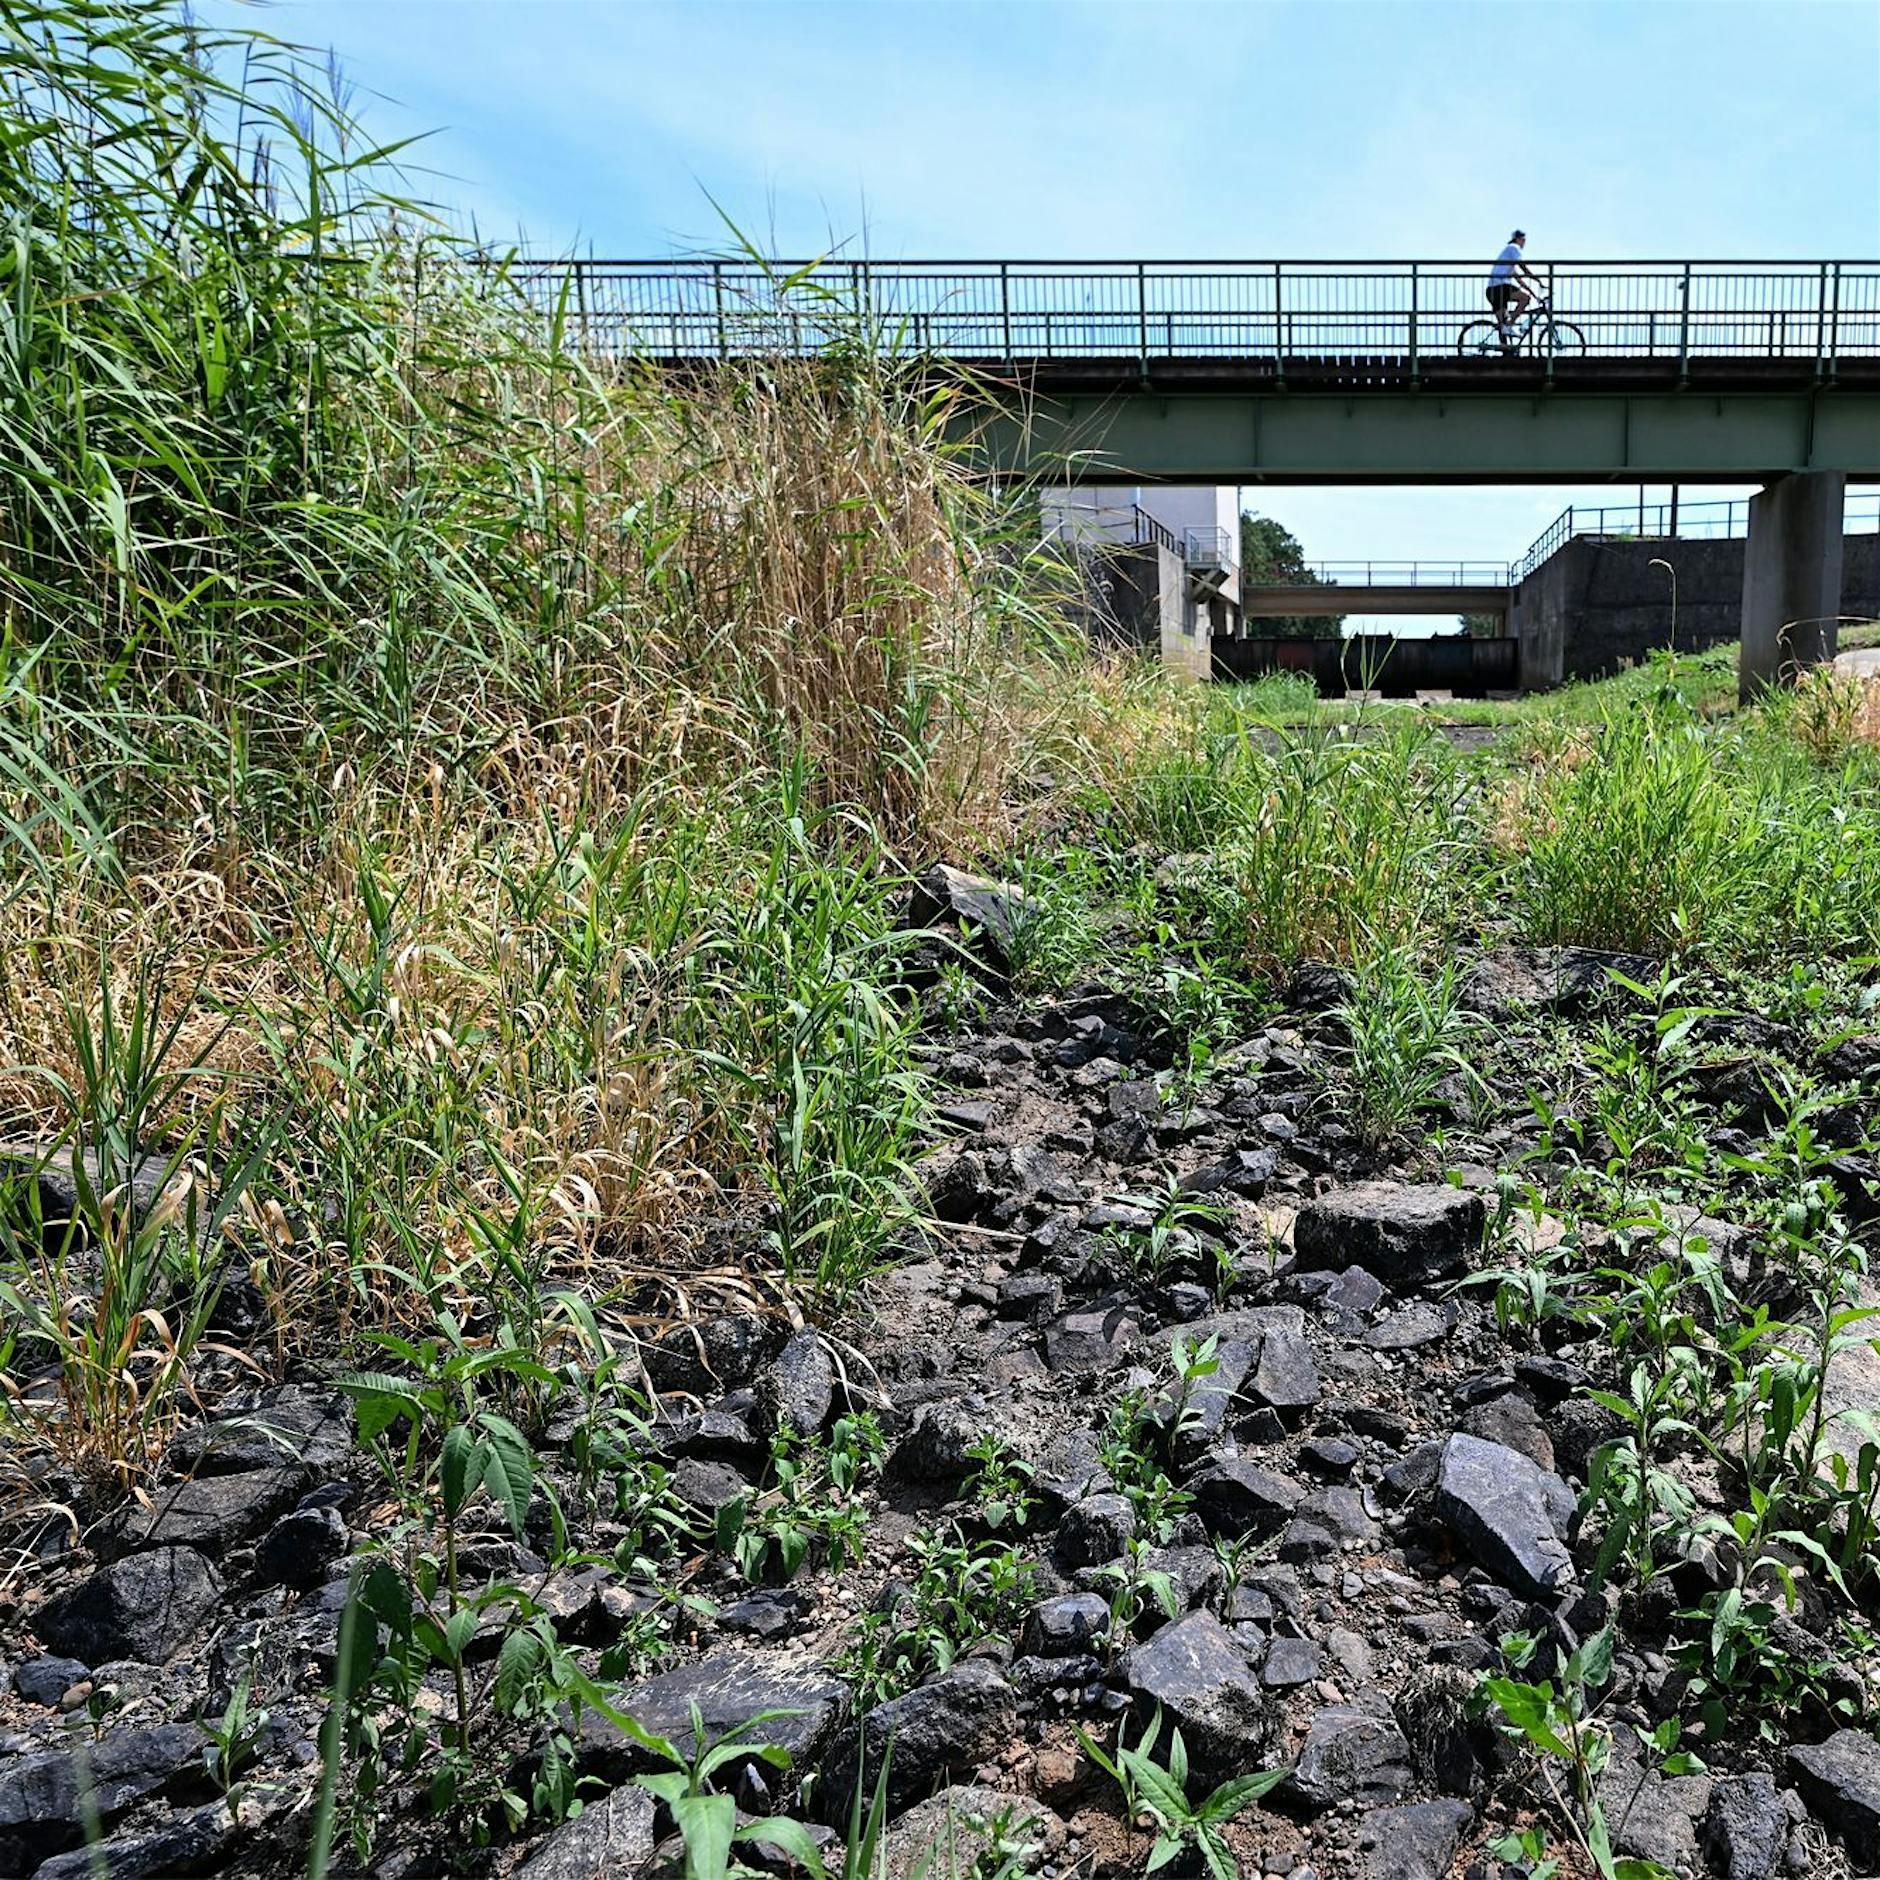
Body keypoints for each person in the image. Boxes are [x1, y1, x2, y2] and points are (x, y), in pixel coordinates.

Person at [1486, 230, 1542, 345]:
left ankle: (1505, 350)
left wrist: (1533, 292)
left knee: (1503, 324)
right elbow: (1522, 266)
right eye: (1523, 240)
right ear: (1518, 239)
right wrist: (1537, 279)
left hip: (1492, 290)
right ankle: (1510, 324)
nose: (1524, 243)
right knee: (1525, 299)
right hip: (1500, 286)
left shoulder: (1507, 259)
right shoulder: (1513, 247)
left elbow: (1518, 279)